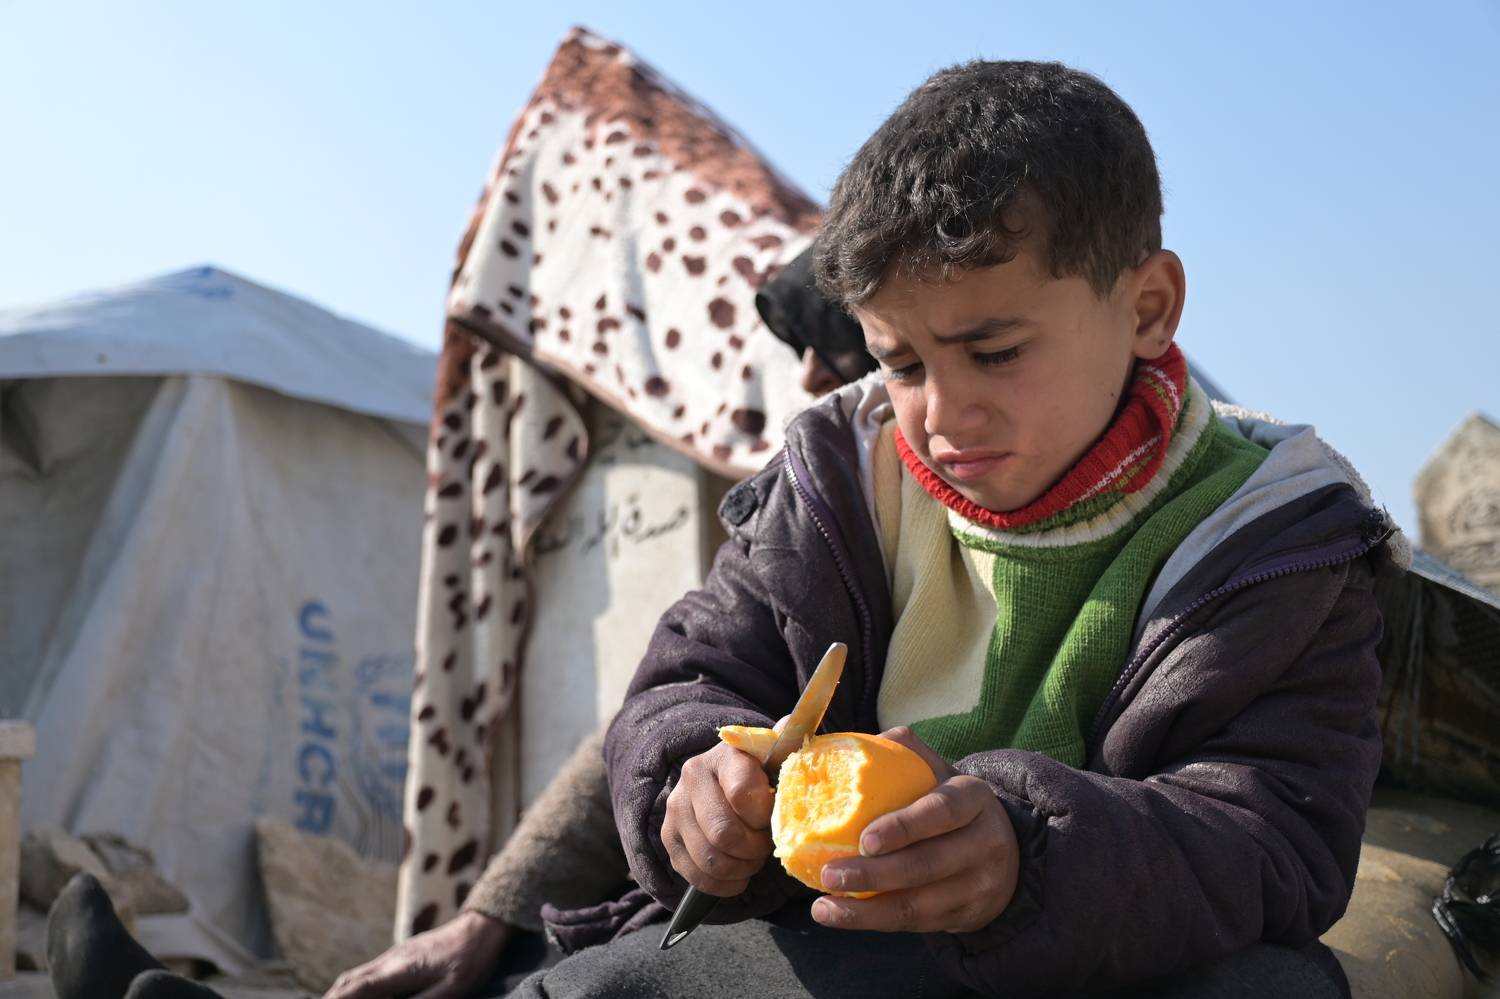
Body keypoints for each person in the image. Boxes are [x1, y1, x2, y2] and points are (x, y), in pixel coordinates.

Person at [505, 59, 1397, 998]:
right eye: (900, 364)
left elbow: (1277, 835)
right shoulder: (833, 488)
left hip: (1112, 964)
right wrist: (692, 782)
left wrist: (1030, 857)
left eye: (995, 352)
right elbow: (693, 678)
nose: (942, 414)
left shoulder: (1274, 538)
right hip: (826, 935)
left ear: (1148, 308)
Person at [39, 244, 874, 999]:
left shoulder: (906, 502)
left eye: (830, 340)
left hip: (841, 916)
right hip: (735, 890)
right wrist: (485, 915)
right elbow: (669, 703)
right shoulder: (806, 508)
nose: (805, 373)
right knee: (523, 957)